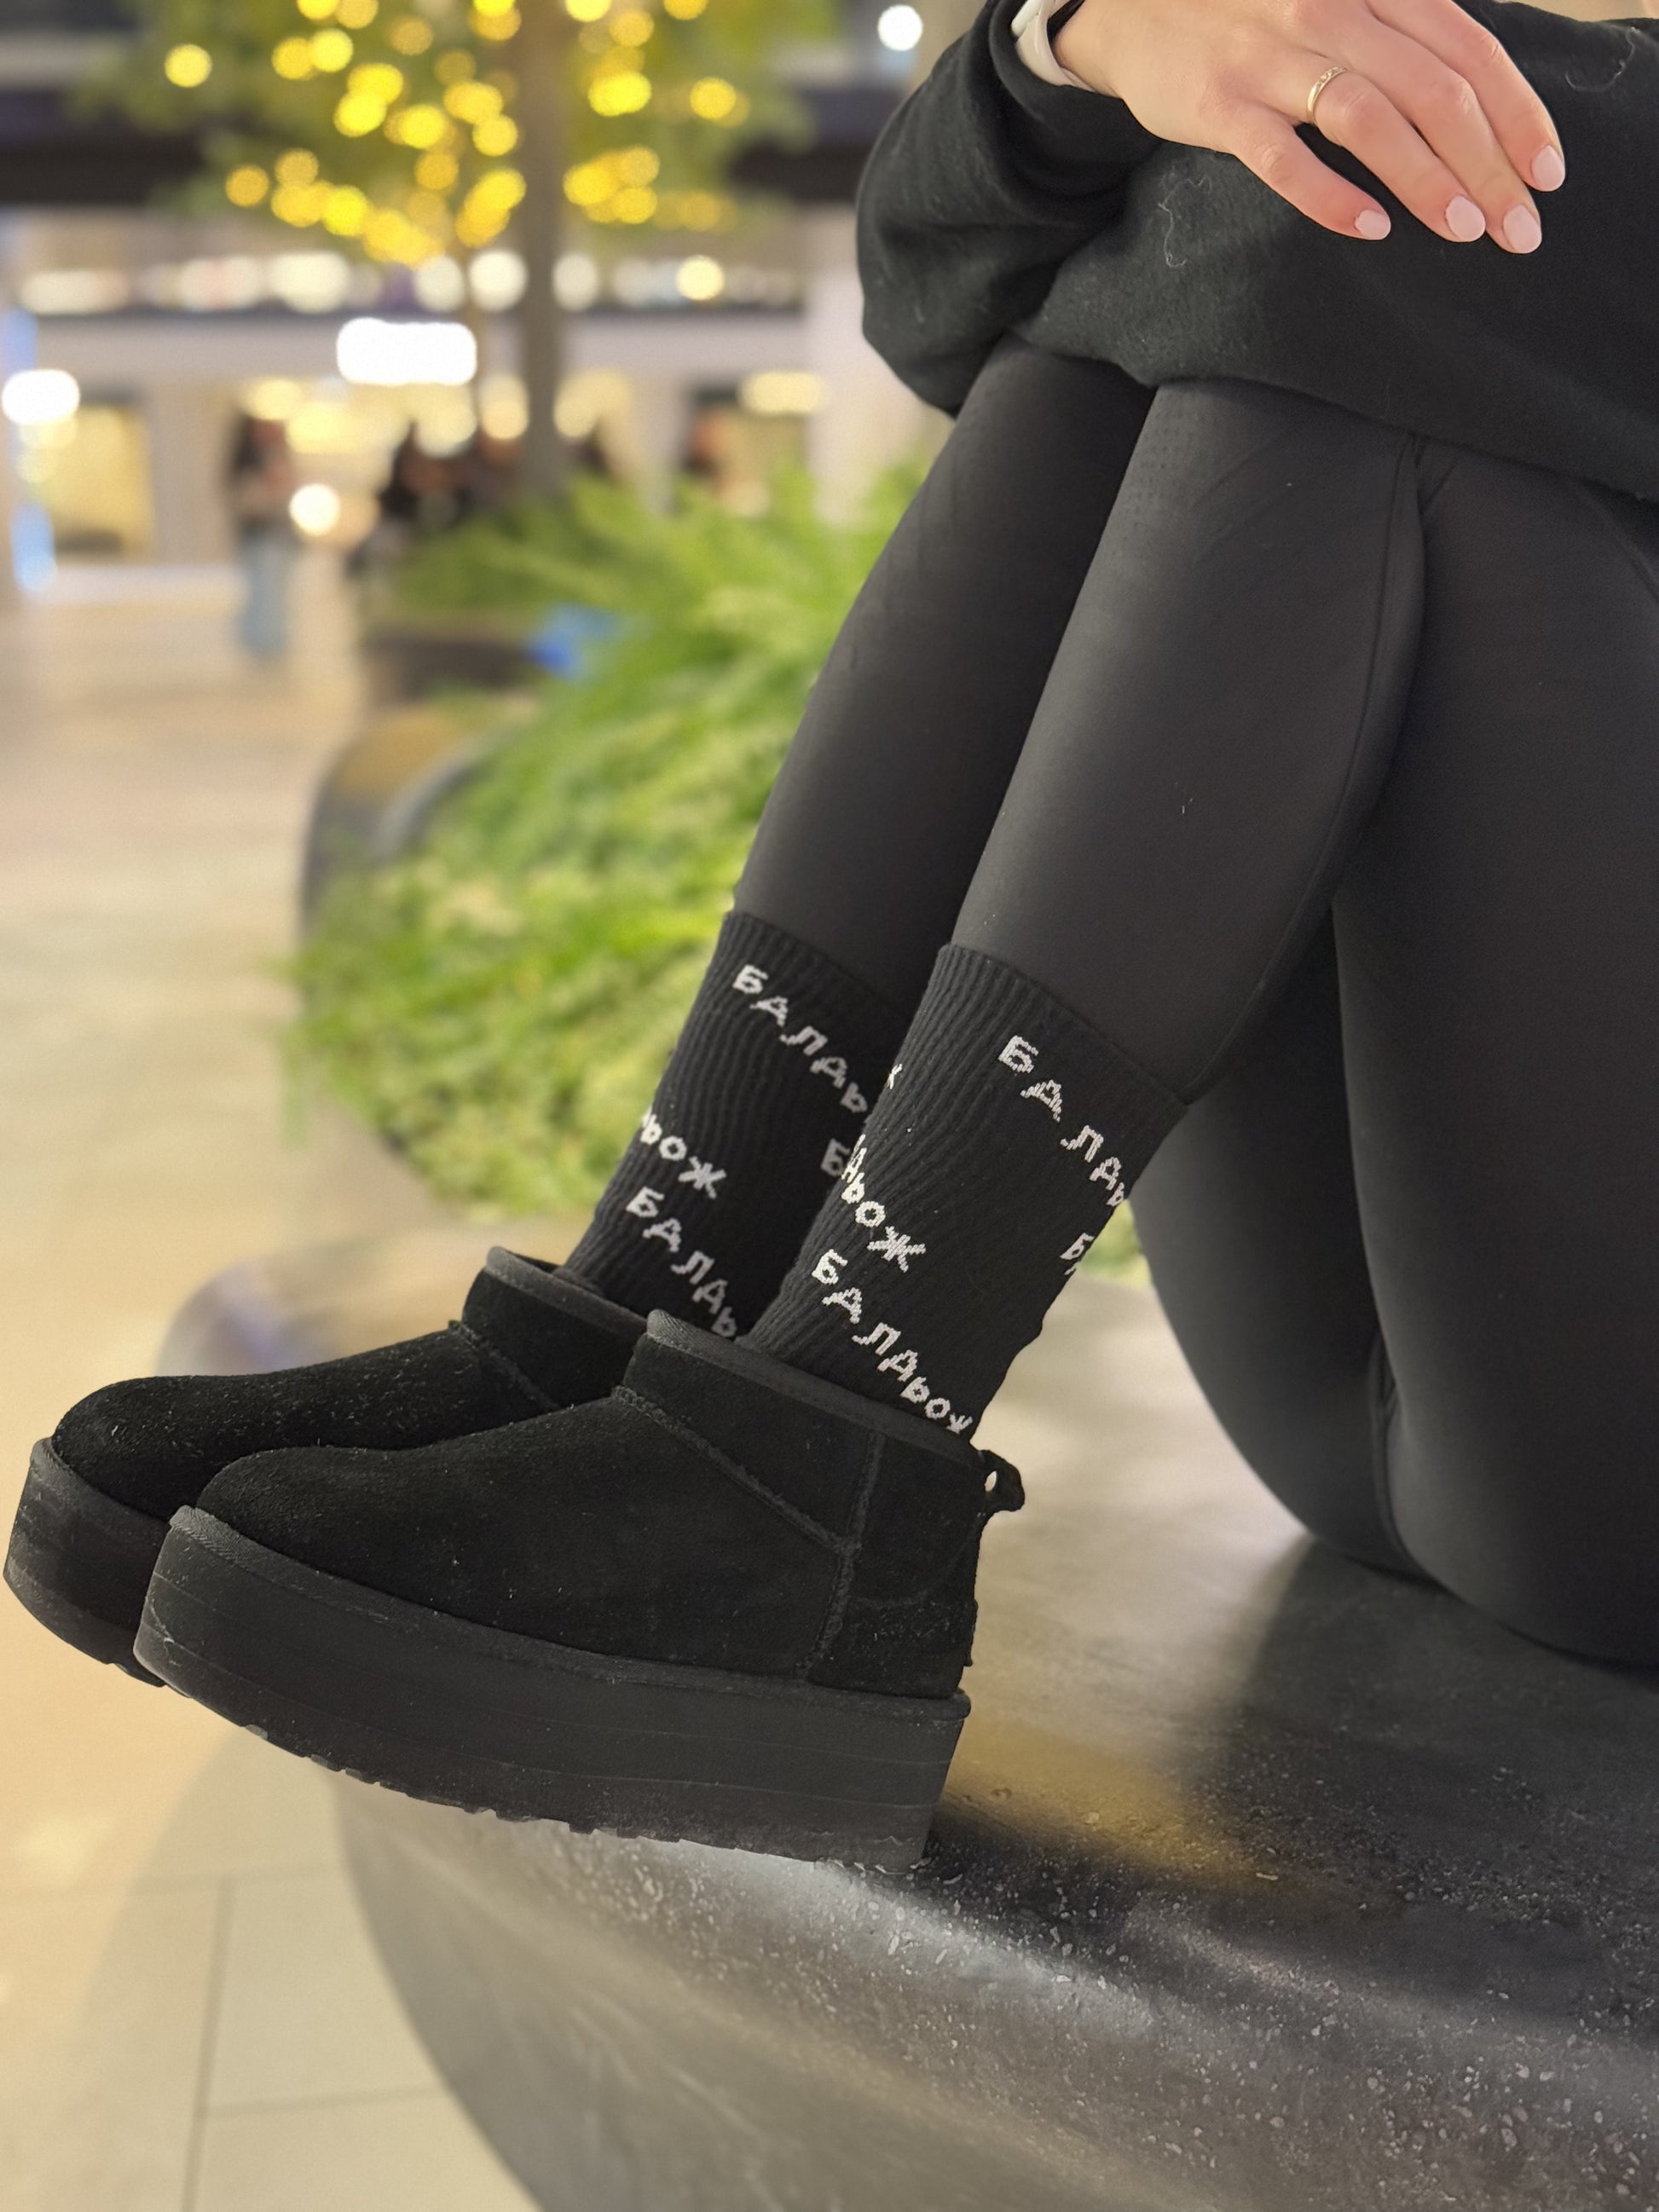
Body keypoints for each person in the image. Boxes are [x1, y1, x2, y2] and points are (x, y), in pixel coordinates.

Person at [9, 0, 1659, 1867]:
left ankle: (836, 1431)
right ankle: (667, 1298)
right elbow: (933, 290)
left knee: (1354, 223)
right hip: (1368, 1375)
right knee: (1114, 325)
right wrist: (1086, 44)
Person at [225, 413, 298, 660]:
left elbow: (288, 490)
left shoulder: (277, 456)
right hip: (258, 533)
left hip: (278, 533)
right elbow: (243, 499)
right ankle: (260, 642)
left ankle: (273, 641)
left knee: (276, 590)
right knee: (261, 590)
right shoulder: (247, 463)